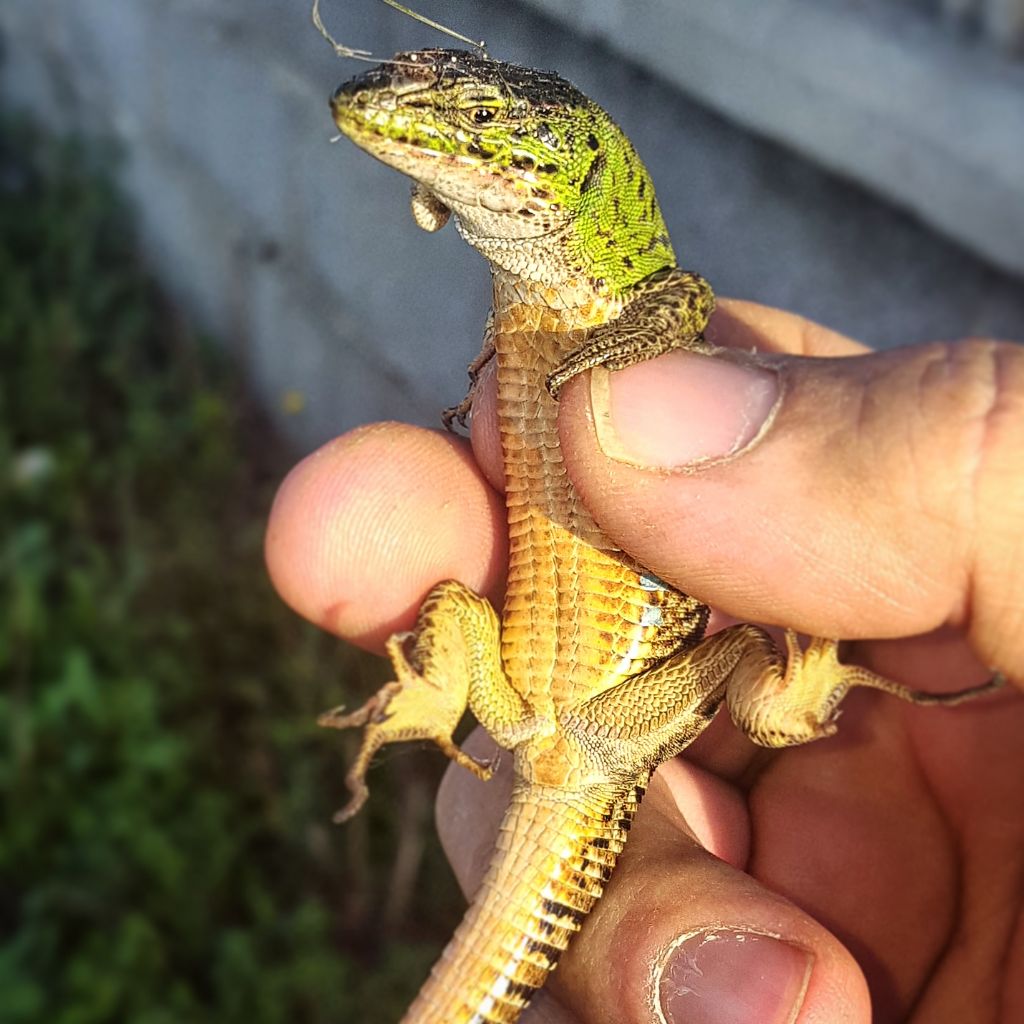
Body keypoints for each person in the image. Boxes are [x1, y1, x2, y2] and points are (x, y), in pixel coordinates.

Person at [266, 301, 1023, 1024]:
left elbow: (679, 306)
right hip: (542, 718)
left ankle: (784, 702)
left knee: (497, 614)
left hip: (581, 727)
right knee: (458, 605)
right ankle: (441, 700)